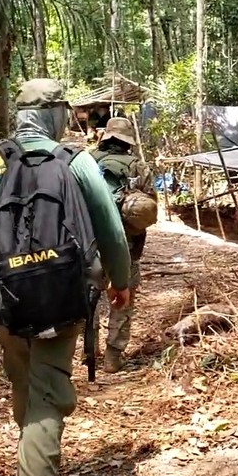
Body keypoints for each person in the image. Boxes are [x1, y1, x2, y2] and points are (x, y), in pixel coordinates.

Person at [0, 79, 132, 476]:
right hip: (62, 297)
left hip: (5, 299)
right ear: (56, 115)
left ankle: (34, 459)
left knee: (24, 381)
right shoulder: (76, 163)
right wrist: (122, 282)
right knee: (47, 390)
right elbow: (112, 231)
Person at [92, 117, 156, 372]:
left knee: (90, 298)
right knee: (123, 300)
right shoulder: (139, 167)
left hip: (89, 245)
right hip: (125, 246)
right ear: (128, 141)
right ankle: (113, 357)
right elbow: (150, 211)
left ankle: (90, 349)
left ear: (105, 137)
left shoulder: (86, 162)